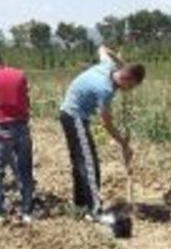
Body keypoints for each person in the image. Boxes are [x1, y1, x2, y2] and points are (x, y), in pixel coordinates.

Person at [59, 45, 145, 223]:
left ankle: (80, 206)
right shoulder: (104, 89)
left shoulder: (108, 66)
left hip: (69, 113)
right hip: (75, 116)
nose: (129, 90)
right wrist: (124, 144)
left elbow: (102, 48)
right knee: (89, 164)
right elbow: (107, 123)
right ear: (127, 78)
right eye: (132, 86)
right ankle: (95, 210)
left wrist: (121, 63)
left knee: (80, 162)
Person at [0, 47, 35, 225]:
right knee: (25, 170)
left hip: (3, 129)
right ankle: (27, 212)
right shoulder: (20, 74)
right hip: (23, 127)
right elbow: (26, 99)